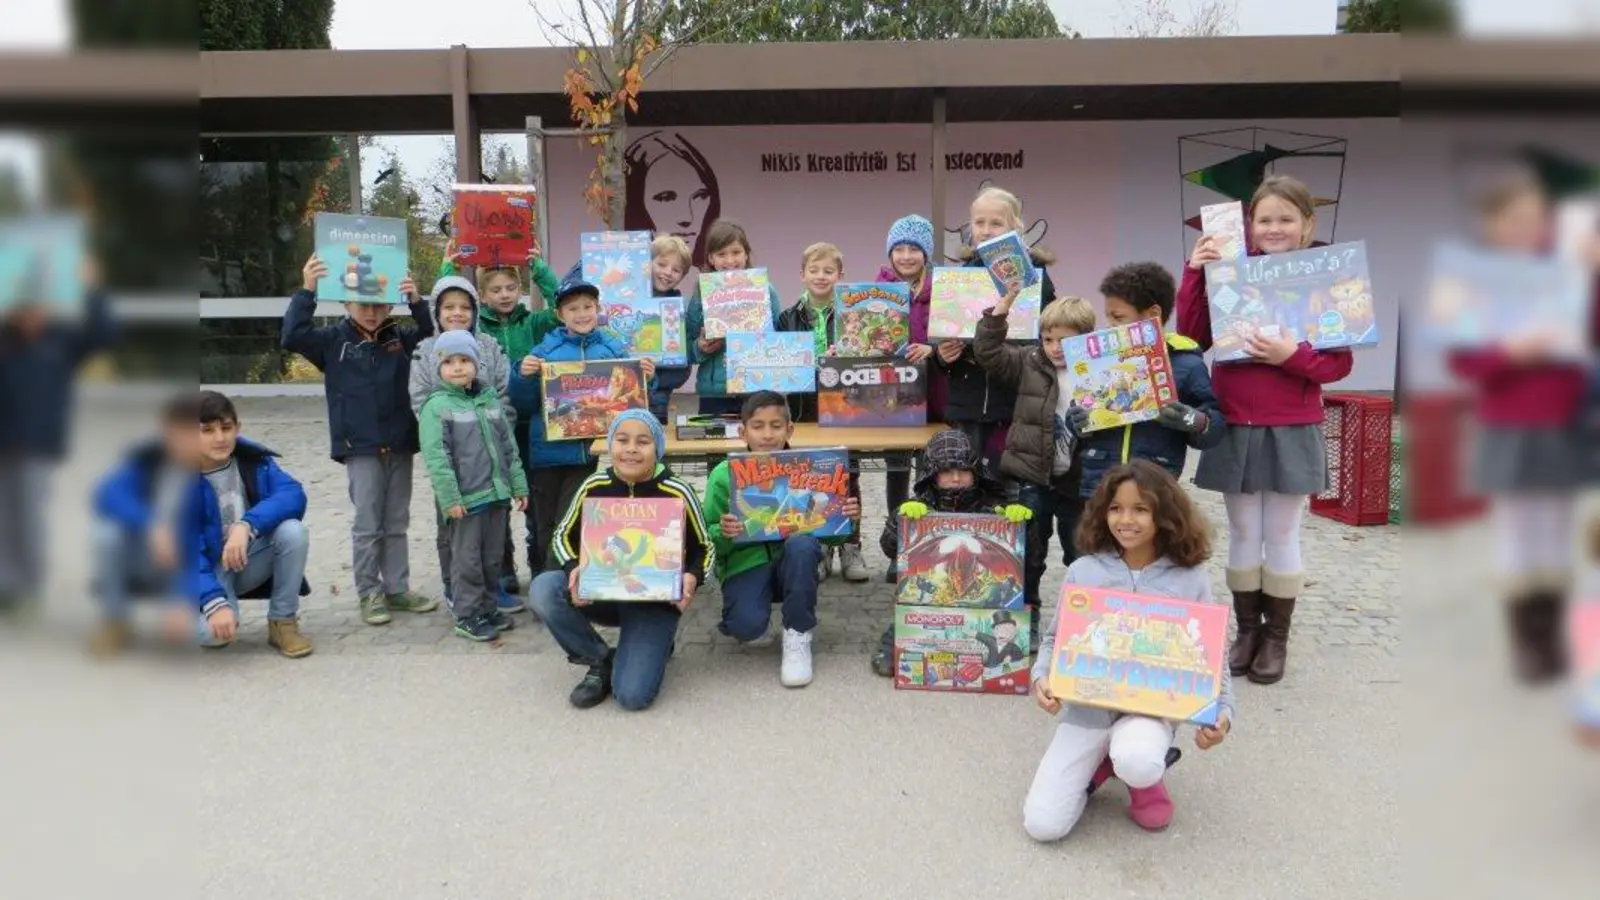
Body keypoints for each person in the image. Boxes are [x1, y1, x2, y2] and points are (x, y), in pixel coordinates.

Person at [1177, 174, 1353, 685]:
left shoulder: (1325, 275)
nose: (1274, 228)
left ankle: (1276, 640)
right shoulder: (1229, 273)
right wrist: (1194, 273)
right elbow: (1190, 338)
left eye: (1285, 218)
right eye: (1265, 219)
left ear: (1307, 225)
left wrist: (1291, 356)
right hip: (1234, 419)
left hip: (1291, 423)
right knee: (1242, 531)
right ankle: (1246, 632)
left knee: (1280, 533)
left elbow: (1337, 365)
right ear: (1249, 225)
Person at [1443, 172, 1600, 682]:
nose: (1525, 228)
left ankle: (1552, 633)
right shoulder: (1470, 280)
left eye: (1535, 218)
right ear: (1488, 224)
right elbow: (1462, 360)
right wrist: (1511, 351)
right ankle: (1526, 643)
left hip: (1565, 420)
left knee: (1556, 530)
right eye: (1512, 218)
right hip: (1507, 421)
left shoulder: (1572, 273)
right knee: (1516, 530)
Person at [1023, 461, 1233, 840]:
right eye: (1116, 508)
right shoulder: (1084, 571)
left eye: (1140, 509)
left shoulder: (1190, 578)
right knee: (1042, 825)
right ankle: (1102, 762)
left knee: (1138, 760)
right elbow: (1055, 640)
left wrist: (1221, 715)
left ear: (1164, 514)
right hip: (1087, 711)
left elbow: (1212, 656)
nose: (1126, 519)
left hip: (1150, 712)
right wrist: (1041, 679)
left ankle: (1140, 771)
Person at [281, 253, 438, 627]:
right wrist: (308, 289)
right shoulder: (332, 340)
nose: (371, 311)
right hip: (360, 447)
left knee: (396, 520)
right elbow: (291, 336)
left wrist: (416, 301)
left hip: (399, 442)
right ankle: (369, 592)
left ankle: (397, 589)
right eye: (363, 304)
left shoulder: (401, 338)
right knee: (368, 523)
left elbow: (434, 335)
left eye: (380, 304)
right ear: (346, 302)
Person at [527, 410, 712, 711]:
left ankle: (653, 643)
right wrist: (573, 569)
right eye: (622, 440)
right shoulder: (592, 486)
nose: (631, 449)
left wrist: (693, 575)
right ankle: (599, 659)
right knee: (544, 589)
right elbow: (561, 536)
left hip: (654, 600)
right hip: (601, 593)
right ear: (610, 444)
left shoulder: (678, 490)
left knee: (632, 696)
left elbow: (705, 546)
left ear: (658, 450)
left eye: (643, 442)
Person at [701, 391, 863, 687]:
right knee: (746, 627)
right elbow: (706, 535)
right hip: (745, 563)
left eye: (776, 426)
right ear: (743, 431)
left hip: (794, 561)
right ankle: (750, 614)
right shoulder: (724, 475)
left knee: (802, 544)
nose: (766, 434)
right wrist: (723, 533)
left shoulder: (810, 468)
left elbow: (833, 536)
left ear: (789, 430)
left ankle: (798, 633)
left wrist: (846, 520)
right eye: (758, 426)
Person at [509, 277, 656, 577]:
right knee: (544, 522)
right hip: (547, 453)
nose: (582, 313)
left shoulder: (614, 349)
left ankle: (563, 582)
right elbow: (523, 406)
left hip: (588, 455)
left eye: (588, 306)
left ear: (598, 309)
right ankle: (545, 582)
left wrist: (646, 378)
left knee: (572, 520)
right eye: (572, 308)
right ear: (559, 314)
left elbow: (632, 402)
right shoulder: (543, 352)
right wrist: (522, 376)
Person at [442, 242, 561, 595]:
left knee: (534, 500)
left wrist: (538, 268)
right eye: (496, 290)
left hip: (532, 426)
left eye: (511, 288)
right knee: (497, 496)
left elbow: (561, 307)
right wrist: (449, 269)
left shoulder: (535, 323)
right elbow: (448, 311)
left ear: (521, 290)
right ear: (483, 295)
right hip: (490, 426)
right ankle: (503, 567)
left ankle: (539, 566)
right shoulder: (477, 331)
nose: (505, 295)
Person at [1066, 261, 1226, 524]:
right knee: (1101, 553)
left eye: (1118, 317)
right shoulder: (1098, 360)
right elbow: (1078, 417)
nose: (1110, 325)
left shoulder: (1186, 362)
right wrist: (1077, 423)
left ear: (1152, 314)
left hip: (1156, 483)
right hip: (1100, 481)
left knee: (1152, 553)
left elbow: (1214, 425)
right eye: (1108, 316)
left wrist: (1193, 420)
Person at [970, 292, 1098, 615]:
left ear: (1086, 340)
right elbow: (987, 352)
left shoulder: (1098, 372)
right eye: (1048, 339)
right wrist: (999, 311)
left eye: (1065, 340)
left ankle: (1079, 617)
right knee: (1027, 554)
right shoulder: (1030, 361)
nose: (1054, 347)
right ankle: (1026, 614)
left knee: (1082, 553)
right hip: (1032, 476)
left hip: (1078, 481)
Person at [0, 266, 115, 617]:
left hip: (40, 445)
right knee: (5, 518)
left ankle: (29, 589)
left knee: (32, 517)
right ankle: (7, 587)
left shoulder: (62, 342)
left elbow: (104, 334)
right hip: (5, 442)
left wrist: (93, 290)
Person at [872, 428, 1028, 677]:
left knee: (991, 632)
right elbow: (889, 549)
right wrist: (900, 523)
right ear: (932, 476)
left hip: (980, 593)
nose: (956, 478)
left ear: (975, 474)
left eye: (964, 471)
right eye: (946, 472)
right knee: (911, 609)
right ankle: (893, 644)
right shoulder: (920, 507)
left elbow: (1021, 561)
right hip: (934, 593)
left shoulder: (992, 508)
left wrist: (1019, 527)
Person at [409, 275, 522, 616]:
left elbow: (503, 392)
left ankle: (495, 586)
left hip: (491, 449)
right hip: (454, 452)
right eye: (448, 307)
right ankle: (454, 585)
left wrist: (496, 429)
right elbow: (420, 398)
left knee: (493, 523)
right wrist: (446, 430)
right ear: (436, 312)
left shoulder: (488, 346)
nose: (456, 313)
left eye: (464, 307)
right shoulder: (426, 349)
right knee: (454, 525)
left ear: (475, 310)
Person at [937, 186, 1058, 486]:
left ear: (1015, 227)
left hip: (1013, 402)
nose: (986, 231)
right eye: (979, 223)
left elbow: (1050, 334)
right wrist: (942, 356)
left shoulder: (1037, 277)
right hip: (968, 400)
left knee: (1007, 489)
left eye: (996, 223)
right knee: (966, 482)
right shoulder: (960, 277)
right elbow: (941, 342)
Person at [418, 331, 530, 642]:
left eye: (464, 360)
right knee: (467, 560)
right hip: (466, 500)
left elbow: (508, 447)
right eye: (449, 362)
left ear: (476, 364)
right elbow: (437, 458)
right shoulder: (437, 406)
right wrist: (450, 498)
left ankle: (488, 607)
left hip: (496, 496)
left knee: (492, 557)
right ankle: (467, 615)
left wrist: (518, 485)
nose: (457, 367)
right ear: (438, 368)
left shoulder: (489, 399)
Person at [185, 391, 314, 658]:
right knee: (213, 635)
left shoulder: (254, 461)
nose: (219, 437)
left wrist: (246, 526)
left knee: (292, 532)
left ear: (237, 428)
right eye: (206, 430)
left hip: (244, 559)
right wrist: (213, 602)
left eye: (226, 427)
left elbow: (292, 494)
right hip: (200, 570)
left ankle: (283, 621)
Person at [775, 241, 869, 582]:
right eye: (814, 270)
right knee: (810, 478)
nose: (821, 276)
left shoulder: (853, 315)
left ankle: (850, 545)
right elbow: (778, 360)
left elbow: (865, 354)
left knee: (850, 475)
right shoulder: (786, 317)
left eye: (828, 271)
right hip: (803, 409)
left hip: (847, 406)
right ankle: (817, 546)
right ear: (801, 275)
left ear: (840, 276)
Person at [86, 392, 202, 656]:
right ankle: (115, 620)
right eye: (179, 433)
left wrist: (182, 598)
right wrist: (153, 524)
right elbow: (107, 493)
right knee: (105, 533)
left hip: (189, 567)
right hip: (145, 553)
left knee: (206, 635)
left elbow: (204, 544)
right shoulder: (147, 460)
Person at [874, 215, 940, 581]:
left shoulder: (942, 291)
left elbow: (955, 335)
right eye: (898, 248)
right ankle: (895, 547)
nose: (905, 255)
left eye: (913, 248)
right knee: (896, 470)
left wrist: (931, 348)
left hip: (937, 394)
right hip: (893, 397)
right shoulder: (877, 290)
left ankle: (923, 548)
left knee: (929, 472)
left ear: (926, 253)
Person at [685, 219, 784, 417]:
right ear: (711, 259)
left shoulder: (766, 290)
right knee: (715, 447)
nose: (730, 261)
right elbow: (686, 348)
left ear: (746, 254)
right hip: (714, 394)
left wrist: (763, 341)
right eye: (721, 254)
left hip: (755, 389)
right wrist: (701, 347)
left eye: (736, 252)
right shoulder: (701, 294)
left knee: (755, 446)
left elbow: (778, 340)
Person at [624, 130, 722, 269]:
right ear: (636, 205)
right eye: (666, 198)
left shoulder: (721, 282)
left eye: (700, 196)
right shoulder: (617, 283)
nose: (687, 218)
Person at [647, 234, 695, 424]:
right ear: (647, 263)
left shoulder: (678, 311)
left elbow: (682, 366)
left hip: (658, 398)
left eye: (676, 270)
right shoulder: (624, 302)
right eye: (662, 265)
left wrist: (656, 382)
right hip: (622, 389)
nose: (668, 272)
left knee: (655, 446)